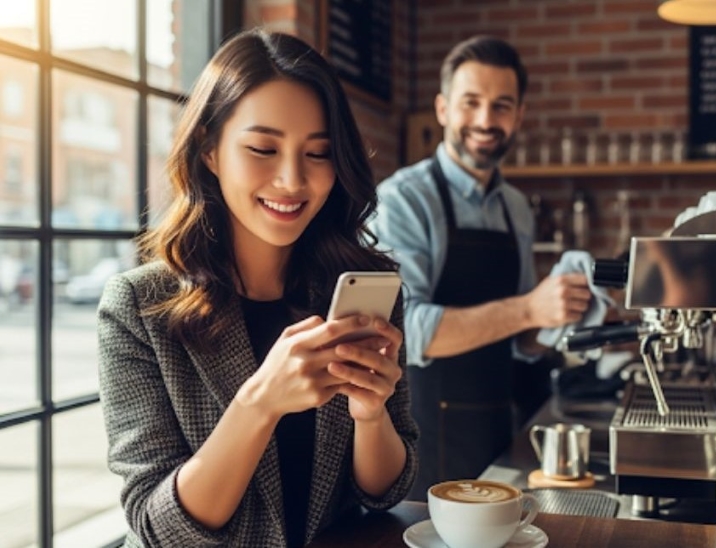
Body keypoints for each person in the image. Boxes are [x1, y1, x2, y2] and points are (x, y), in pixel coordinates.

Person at [97, 29, 418, 548]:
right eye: (263, 148)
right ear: (209, 150)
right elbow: (159, 529)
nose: (292, 180)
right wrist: (260, 403)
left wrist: (371, 414)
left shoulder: (362, 291)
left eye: (319, 153)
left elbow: (386, 492)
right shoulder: (138, 308)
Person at [369, 35, 591, 500]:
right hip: (421, 447)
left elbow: (521, 342)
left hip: (496, 435)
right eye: (471, 103)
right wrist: (530, 309)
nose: (486, 121)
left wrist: (560, 315)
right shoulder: (403, 200)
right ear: (443, 109)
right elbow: (407, 330)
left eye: (501, 106)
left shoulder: (516, 208)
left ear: (519, 116)